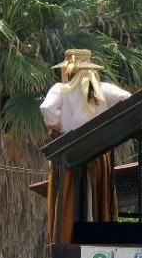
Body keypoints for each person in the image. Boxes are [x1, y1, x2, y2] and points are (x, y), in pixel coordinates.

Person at [41, 48, 132, 236]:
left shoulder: (60, 89)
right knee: (99, 201)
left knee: (65, 203)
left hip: (67, 154)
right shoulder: (104, 89)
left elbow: (48, 109)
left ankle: (65, 245)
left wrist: (55, 126)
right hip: (97, 154)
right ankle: (97, 242)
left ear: (69, 70)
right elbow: (127, 100)